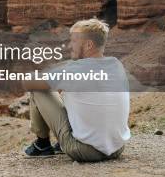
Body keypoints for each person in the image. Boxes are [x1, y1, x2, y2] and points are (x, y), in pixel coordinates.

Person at [22, 18, 131, 162]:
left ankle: (42, 145)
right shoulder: (116, 65)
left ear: (88, 44)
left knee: (38, 89)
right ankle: (70, 137)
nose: (69, 45)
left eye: (73, 41)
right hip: (117, 148)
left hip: (85, 151)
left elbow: (28, 84)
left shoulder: (75, 70)